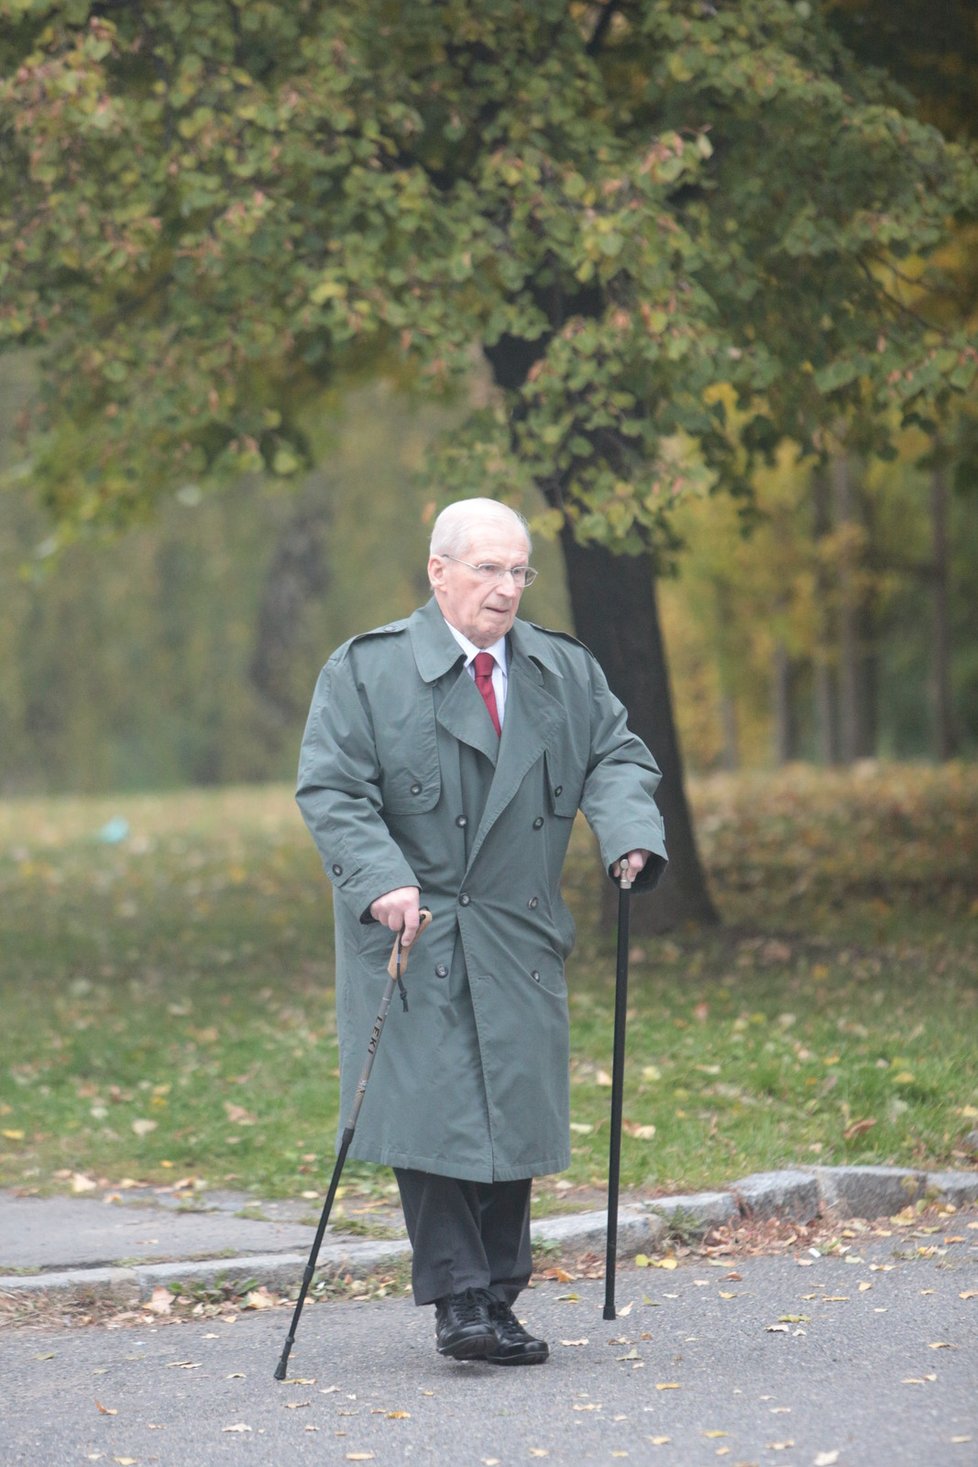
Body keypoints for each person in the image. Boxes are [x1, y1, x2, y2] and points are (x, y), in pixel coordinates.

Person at [296, 497, 667, 1366]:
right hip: (412, 930)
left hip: (517, 930)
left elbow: (617, 754)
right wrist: (380, 875)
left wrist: (630, 834)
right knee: (431, 1113)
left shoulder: (559, 672)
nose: (506, 589)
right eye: (488, 569)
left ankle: (498, 1294)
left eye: (519, 571)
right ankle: (461, 1299)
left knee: (510, 1112)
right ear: (439, 572)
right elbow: (331, 787)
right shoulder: (367, 671)